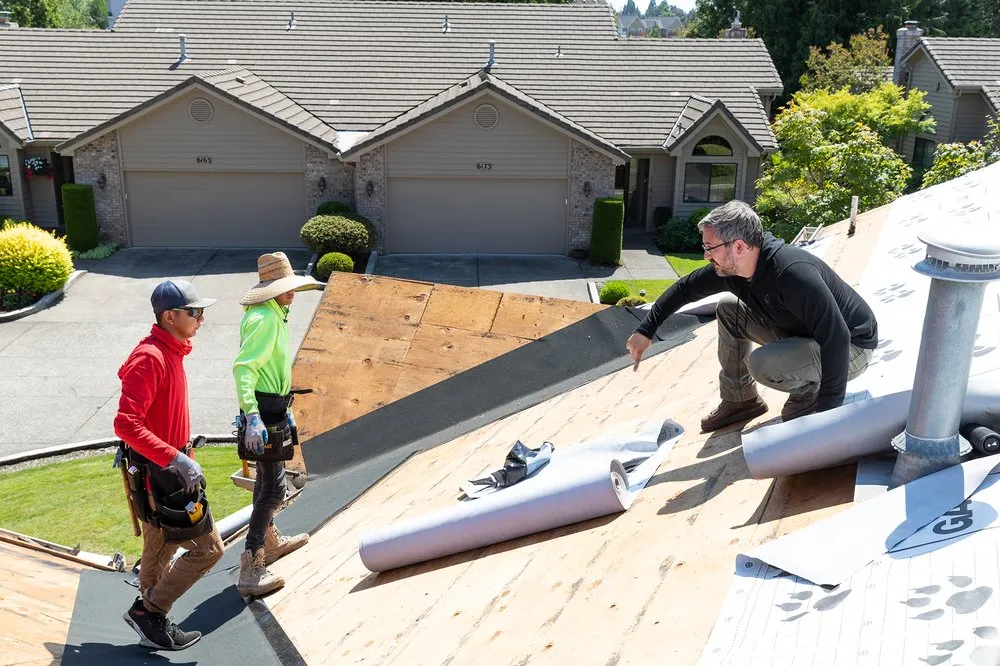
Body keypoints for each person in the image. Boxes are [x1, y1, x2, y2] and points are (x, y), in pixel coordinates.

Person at [626, 200, 878, 432]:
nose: (706, 256)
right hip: (806, 335)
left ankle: (808, 391)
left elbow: (836, 338)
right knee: (729, 308)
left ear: (738, 246)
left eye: (710, 248)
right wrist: (645, 330)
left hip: (852, 349)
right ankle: (741, 400)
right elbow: (685, 288)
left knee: (761, 363)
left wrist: (827, 421)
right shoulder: (732, 269)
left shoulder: (792, 274)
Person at [116, 279, 224, 651]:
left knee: (158, 548)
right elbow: (126, 424)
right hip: (160, 476)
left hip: (165, 470)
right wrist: (176, 458)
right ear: (169, 316)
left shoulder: (170, 351)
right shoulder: (151, 357)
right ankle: (150, 611)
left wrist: (183, 450)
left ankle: (150, 624)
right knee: (209, 549)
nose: (201, 318)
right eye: (195, 312)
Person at [233, 252, 319, 597]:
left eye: (292, 286)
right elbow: (244, 369)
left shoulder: (271, 313)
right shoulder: (264, 319)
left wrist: (284, 405)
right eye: (286, 288)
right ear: (271, 290)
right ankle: (251, 565)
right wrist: (253, 415)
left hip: (273, 406)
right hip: (264, 410)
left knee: (266, 481)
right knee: (274, 490)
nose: (292, 292)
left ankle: (269, 541)